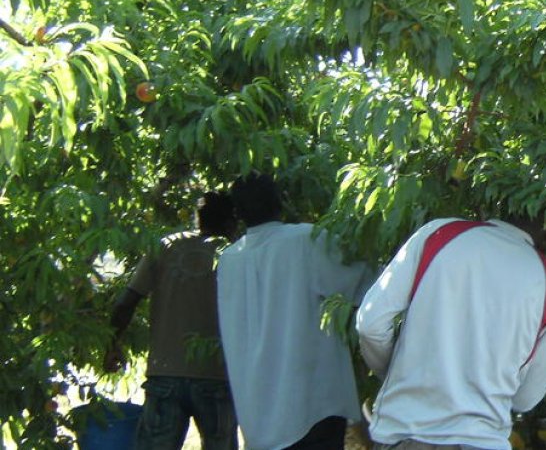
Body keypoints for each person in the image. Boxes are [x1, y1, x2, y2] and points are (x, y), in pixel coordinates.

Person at [356, 212, 546, 449]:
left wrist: (397, 373)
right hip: (482, 441)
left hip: (406, 430)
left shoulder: (440, 234)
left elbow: (371, 325)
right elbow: (526, 398)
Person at [216, 172, 376, 450]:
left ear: (238, 214)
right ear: (280, 202)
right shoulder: (305, 240)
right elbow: (368, 284)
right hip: (311, 403)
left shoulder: (229, 260)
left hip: (257, 411)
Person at [105, 191, 239, 450]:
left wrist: (112, 345)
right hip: (216, 374)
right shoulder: (235, 254)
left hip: (165, 372)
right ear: (231, 221)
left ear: (197, 218)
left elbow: (126, 302)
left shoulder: (167, 245)